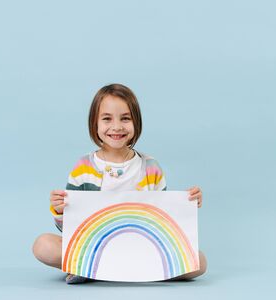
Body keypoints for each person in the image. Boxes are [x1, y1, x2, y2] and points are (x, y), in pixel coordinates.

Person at [33, 83, 207, 284]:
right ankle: (104, 266)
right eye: (107, 119)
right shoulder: (83, 167)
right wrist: (60, 210)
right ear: (94, 124)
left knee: (200, 262)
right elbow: (70, 228)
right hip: (92, 248)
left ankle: (97, 269)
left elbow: (164, 221)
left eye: (125, 118)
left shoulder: (150, 166)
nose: (116, 127)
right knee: (43, 245)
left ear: (136, 123)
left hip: (141, 248)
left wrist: (188, 202)